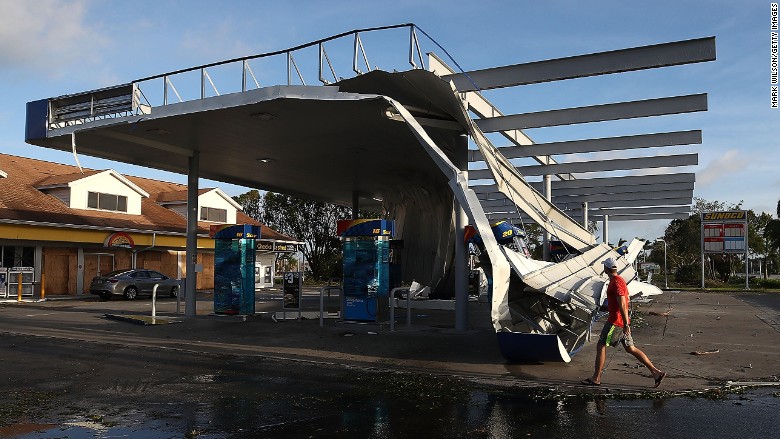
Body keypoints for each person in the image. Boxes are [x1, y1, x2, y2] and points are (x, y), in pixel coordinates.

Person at [581, 257, 666, 387]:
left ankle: (596, 378)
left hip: (616, 322)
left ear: (606, 269)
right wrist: (606, 308)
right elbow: (622, 301)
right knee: (630, 348)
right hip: (620, 321)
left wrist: (626, 324)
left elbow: (622, 303)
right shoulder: (619, 281)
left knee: (601, 345)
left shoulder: (616, 282)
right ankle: (656, 372)